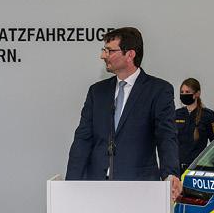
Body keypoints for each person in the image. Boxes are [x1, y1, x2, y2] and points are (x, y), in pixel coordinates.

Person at [66, 26, 181, 200]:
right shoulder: (97, 92)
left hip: (139, 189)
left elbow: (166, 136)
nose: (103, 55)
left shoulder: (158, 90)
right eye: (104, 50)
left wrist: (170, 174)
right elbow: (82, 140)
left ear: (130, 55)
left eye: (109, 51)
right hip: (96, 187)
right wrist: (69, 185)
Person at [175, 77, 214, 172]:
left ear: (197, 94)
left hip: (197, 168)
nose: (184, 94)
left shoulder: (207, 115)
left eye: (187, 92)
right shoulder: (176, 114)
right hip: (177, 168)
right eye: (182, 92)